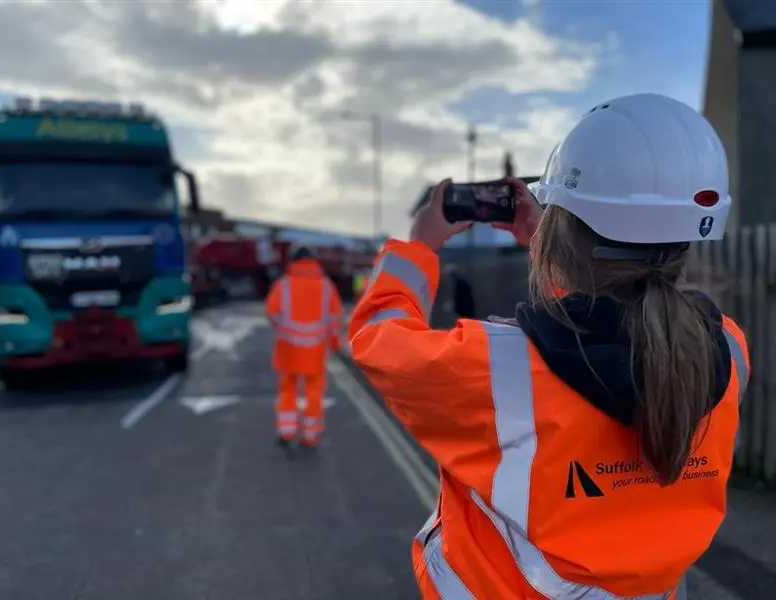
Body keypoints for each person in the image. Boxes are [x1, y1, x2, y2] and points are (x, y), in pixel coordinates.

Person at [348, 93, 749, 599]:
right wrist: (554, 248)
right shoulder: (726, 350)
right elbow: (613, 333)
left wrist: (417, 248)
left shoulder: (496, 370)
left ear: (564, 227)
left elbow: (379, 339)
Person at [265, 245, 344, 449]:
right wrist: (334, 343)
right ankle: (310, 435)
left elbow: (271, 312)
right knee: (314, 393)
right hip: (316, 350)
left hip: (289, 348)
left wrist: (283, 329)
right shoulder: (326, 286)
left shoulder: (283, 285)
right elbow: (335, 319)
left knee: (287, 390)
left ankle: (287, 431)